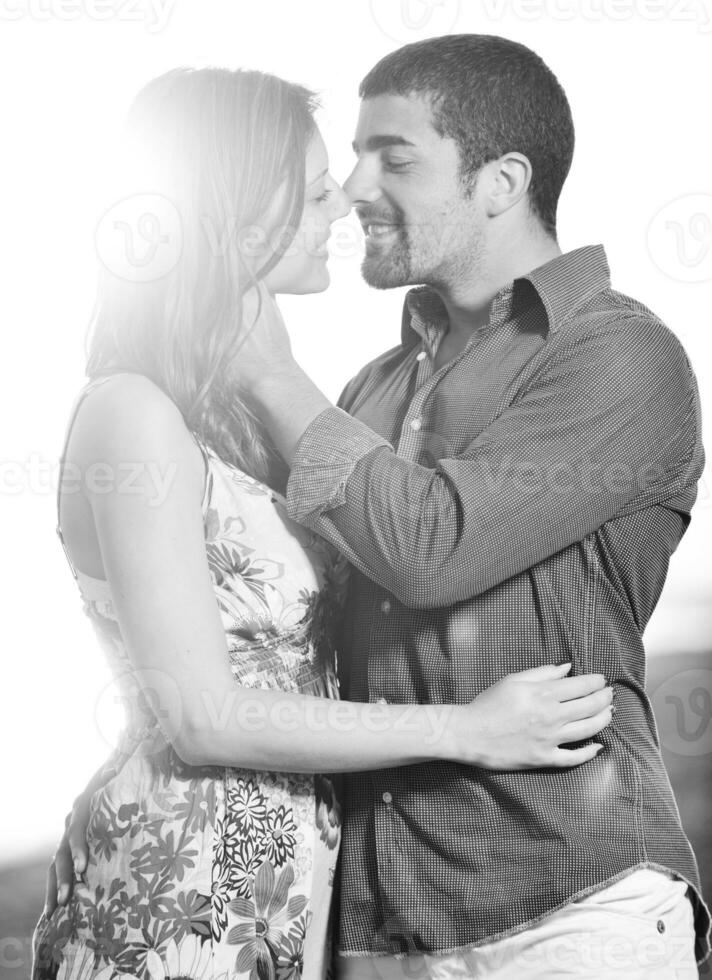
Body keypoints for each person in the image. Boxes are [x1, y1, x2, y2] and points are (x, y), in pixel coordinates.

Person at [33, 65, 614, 980]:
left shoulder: (239, 423)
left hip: (284, 886)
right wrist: (470, 729)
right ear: (238, 211)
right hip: (172, 891)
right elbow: (205, 716)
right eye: (311, 192)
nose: (340, 208)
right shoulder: (132, 411)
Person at [173, 36, 710, 979]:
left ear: (501, 181)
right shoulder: (368, 392)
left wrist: (264, 372)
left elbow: (432, 548)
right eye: (350, 155)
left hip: (569, 909)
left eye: (394, 156)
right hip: (379, 926)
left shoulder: (620, 358)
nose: (350, 188)